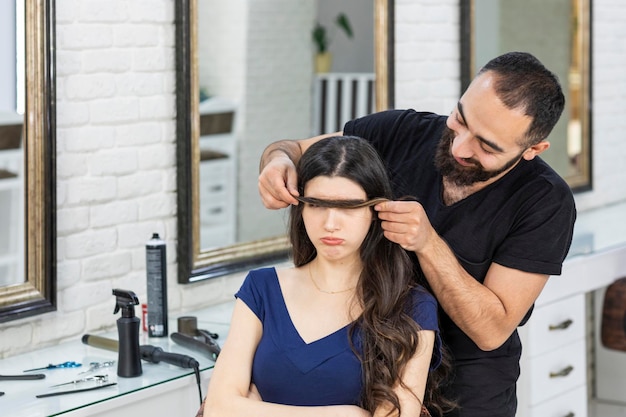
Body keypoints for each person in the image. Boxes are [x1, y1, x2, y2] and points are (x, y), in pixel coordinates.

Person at [257, 52, 577, 417]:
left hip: (467, 395)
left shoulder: (545, 202)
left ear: (533, 149)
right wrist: (277, 160)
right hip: (364, 373)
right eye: (460, 118)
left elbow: (492, 330)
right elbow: (296, 150)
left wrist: (428, 244)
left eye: (486, 146)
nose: (460, 147)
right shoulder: (401, 132)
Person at [203, 136, 455, 417]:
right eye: (317, 204)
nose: (330, 224)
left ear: (375, 210)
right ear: (301, 208)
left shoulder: (412, 306)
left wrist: (254, 410)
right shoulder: (261, 289)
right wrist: (349, 414)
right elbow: (217, 408)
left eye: (349, 207)